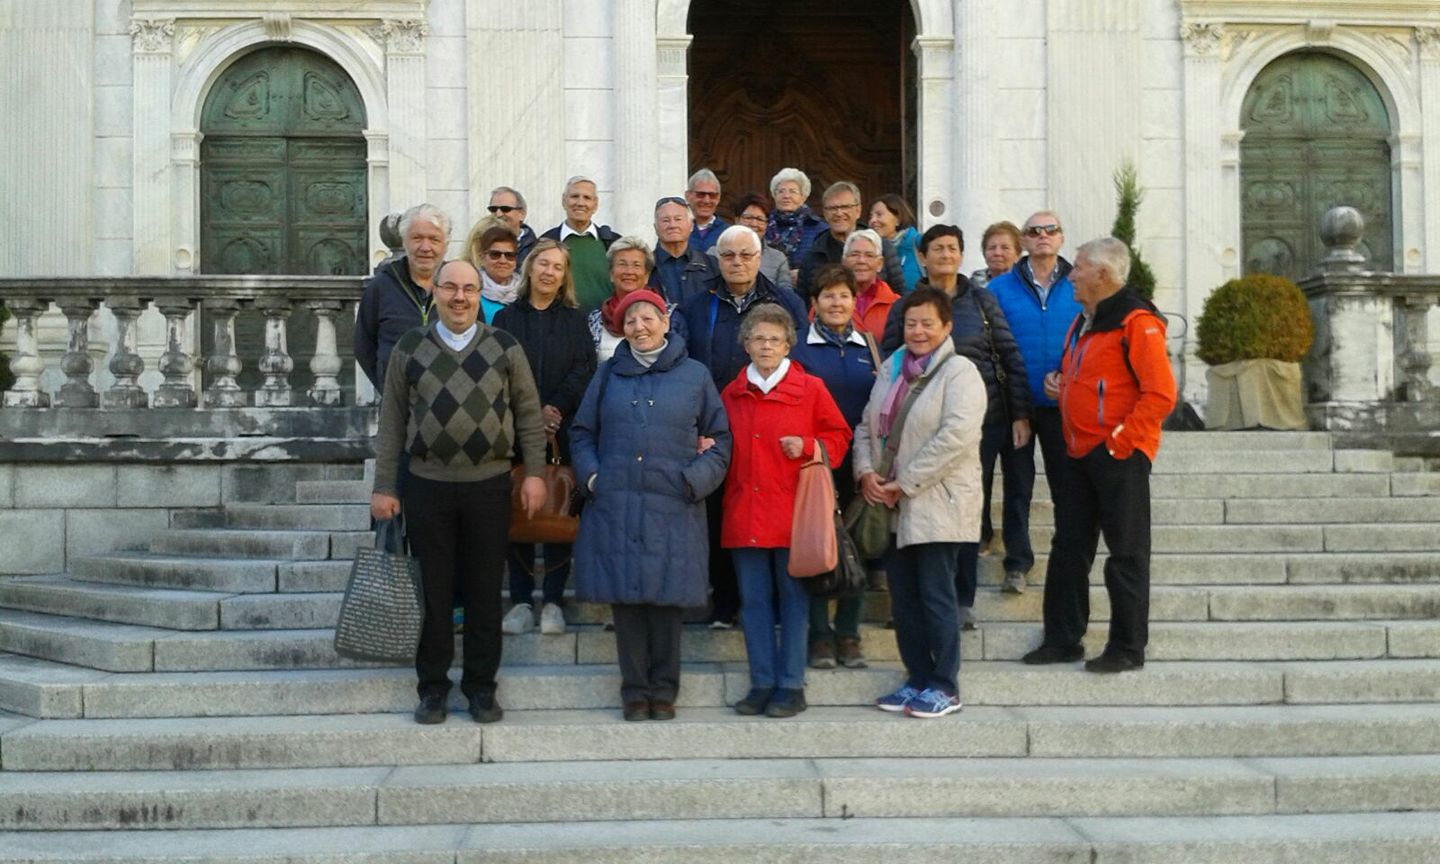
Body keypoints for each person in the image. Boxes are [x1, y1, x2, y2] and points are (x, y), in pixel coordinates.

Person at [370, 259, 548, 726]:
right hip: (426, 487)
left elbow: (529, 414)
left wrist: (533, 473)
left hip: (488, 487)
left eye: (469, 288)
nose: (460, 297)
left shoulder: (505, 347)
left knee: (486, 593)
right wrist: (384, 486)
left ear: (479, 295)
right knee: (434, 593)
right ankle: (432, 690)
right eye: (450, 287)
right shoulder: (409, 348)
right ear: (436, 294)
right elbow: (391, 423)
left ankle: (481, 689)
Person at [571, 288, 732, 721]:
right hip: (617, 501)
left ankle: (664, 689)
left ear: (665, 322)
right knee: (627, 601)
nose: (639, 327)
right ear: (621, 330)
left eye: (647, 318)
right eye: (630, 322)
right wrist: (592, 476)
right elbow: (582, 432)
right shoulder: (607, 375)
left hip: (673, 502)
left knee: (667, 597)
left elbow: (721, 439)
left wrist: (694, 480)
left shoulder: (695, 375)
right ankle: (634, 690)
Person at [1022, 238, 1176, 673]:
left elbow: (1160, 394)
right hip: (1077, 451)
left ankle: (1127, 648)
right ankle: (1062, 639)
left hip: (1117, 453)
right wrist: (1060, 382)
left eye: (1079, 269)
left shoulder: (1137, 321)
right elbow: (1086, 375)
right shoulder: (1084, 321)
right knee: (1069, 546)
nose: (1071, 274)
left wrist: (1120, 443)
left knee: (1126, 552)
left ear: (1104, 275)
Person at [880, 225, 1031, 626]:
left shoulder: (982, 302)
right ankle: (911, 600)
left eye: (953, 248)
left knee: (962, 512)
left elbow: (1009, 355)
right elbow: (890, 363)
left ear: (962, 255)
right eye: (937, 248)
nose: (946, 254)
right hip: (913, 426)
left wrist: (1020, 414)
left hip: (977, 424)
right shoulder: (905, 306)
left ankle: (960, 600)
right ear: (923, 256)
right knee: (911, 509)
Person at [858, 287, 986, 719]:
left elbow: (956, 437)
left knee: (936, 595)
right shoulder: (893, 368)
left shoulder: (961, 372)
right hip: (893, 502)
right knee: (904, 599)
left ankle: (945, 684)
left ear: (946, 326)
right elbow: (866, 425)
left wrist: (904, 482)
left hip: (938, 502)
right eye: (911, 322)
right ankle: (916, 677)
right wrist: (865, 472)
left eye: (927, 323)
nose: (918, 330)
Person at [721, 303, 851, 719]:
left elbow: (840, 435)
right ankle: (762, 683)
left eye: (774, 339)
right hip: (745, 510)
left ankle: (791, 684)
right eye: (758, 338)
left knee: (794, 601)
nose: (765, 345)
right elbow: (718, 439)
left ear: (788, 345)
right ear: (745, 344)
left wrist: (812, 447)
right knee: (754, 602)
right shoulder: (731, 392)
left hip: (795, 513)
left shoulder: (810, 388)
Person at [675, 225, 807, 629]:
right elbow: (686, 364)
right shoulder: (697, 305)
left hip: (770, 426)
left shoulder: (784, 301)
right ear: (717, 259)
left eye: (745, 255)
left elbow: (800, 364)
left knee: (769, 515)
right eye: (728, 256)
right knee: (718, 514)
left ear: (759, 256)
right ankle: (725, 602)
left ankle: (774, 604)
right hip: (714, 428)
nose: (737, 263)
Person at [493, 239, 597, 636]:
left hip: (561, 431)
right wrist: (528, 415)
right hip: (514, 433)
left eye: (558, 267)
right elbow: (498, 371)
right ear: (530, 268)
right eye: (543, 264)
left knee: (558, 512)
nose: (550, 272)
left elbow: (583, 369)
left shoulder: (574, 320)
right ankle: (520, 600)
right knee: (520, 513)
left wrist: (554, 408)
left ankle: (553, 600)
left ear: (564, 276)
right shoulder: (505, 319)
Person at [986, 213, 1083, 592]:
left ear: (1061, 238)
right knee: (1017, 485)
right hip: (1016, 405)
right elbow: (993, 347)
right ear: (1023, 241)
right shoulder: (999, 289)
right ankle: (1017, 563)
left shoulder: (1080, 283)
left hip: (1065, 404)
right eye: (1034, 231)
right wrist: (1012, 403)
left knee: (1067, 486)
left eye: (1051, 230)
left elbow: (1089, 336)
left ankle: (1070, 557)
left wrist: (1068, 375)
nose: (1042, 236)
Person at [789, 264, 879, 670]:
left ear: (854, 301)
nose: (837, 302)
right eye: (828, 296)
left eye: (844, 295)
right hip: (815, 464)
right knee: (817, 547)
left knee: (856, 548)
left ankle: (849, 634)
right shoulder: (800, 352)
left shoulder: (872, 348)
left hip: (860, 464)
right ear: (814, 304)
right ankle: (819, 635)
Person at [355, 203, 448, 390]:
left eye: (434, 239)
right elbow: (364, 346)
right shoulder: (381, 287)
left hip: (451, 405)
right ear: (405, 242)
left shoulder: (459, 285)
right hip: (398, 406)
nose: (425, 247)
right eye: (417, 238)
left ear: (445, 244)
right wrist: (389, 388)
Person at [797, 181, 906, 305]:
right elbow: (803, 303)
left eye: (845, 207)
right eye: (832, 208)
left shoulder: (882, 247)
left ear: (858, 210)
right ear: (825, 213)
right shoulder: (813, 254)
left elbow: (900, 293)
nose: (839, 213)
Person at [540, 176, 621, 314]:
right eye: (574, 196)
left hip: (607, 327)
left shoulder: (614, 243)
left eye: (587, 198)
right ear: (564, 201)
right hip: (560, 325)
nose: (580, 202)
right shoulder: (545, 242)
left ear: (595, 205)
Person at [589, 236, 668, 364]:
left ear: (647, 275)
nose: (629, 271)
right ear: (611, 273)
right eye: (622, 264)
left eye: (636, 265)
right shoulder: (596, 320)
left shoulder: (668, 314)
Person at [716, 193, 794, 292]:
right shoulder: (716, 253)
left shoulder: (778, 259)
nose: (754, 224)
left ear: (767, 224)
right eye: (748, 218)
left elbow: (786, 295)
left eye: (760, 219)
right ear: (737, 220)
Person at [651, 196, 719, 305]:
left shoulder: (712, 265)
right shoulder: (646, 266)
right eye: (665, 220)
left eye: (678, 219)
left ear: (691, 225)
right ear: (655, 228)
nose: (672, 225)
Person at [764, 167, 826, 274]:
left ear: (803, 196)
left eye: (793, 191)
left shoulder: (819, 229)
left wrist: (803, 275)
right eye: (781, 191)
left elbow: (825, 268)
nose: (786, 196)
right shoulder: (763, 226)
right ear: (774, 196)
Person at [840, 228, 900, 338]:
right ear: (844, 262)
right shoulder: (827, 303)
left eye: (869, 255)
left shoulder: (897, 305)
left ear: (880, 264)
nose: (861, 261)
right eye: (854, 254)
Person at [463, 223, 521, 324]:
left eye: (509, 255)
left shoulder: (525, 293)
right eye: (495, 254)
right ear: (482, 258)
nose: (503, 261)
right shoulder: (470, 293)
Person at [869, 194, 923, 292]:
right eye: (871, 216)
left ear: (897, 218)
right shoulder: (871, 250)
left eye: (879, 215)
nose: (872, 220)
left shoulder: (919, 243)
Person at [487, 186, 538, 266]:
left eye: (505, 209)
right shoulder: (478, 244)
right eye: (493, 209)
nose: (498, 214)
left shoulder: (536, 250)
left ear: (522, 214)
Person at [970, 220, 1023, 290]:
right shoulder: (973, 284)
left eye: (1005, 248)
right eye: (992, 248)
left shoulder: (1027, 285)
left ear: (1018, 254)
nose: (997, 253)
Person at [686, 168, 728, 252]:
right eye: (701, 194)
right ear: (688, 196)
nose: (706, 201)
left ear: (719, 198)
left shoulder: (728, 233)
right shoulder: (677, 229)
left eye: (712, 195)